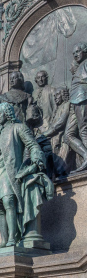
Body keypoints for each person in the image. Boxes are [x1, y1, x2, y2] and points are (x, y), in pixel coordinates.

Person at [0, 102, 48, 248]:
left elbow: (33, 145)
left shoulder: (19, 127)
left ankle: (12, 238)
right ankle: (4, 240)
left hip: (8, 171)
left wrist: (36, 161)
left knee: (8, 201)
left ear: (7, 113)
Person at [0, 71, 39, 141]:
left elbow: (30, 115)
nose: (11, 80)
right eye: (10, 78)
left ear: (20, 79)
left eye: (14, 78)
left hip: (21, 127)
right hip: (6, 129)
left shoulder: (27, 97)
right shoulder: (2, 97)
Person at [41, 88, 72, 177]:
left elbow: (61, 122)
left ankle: (58, 172)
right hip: (54, 137)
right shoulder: (57, 108)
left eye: (57, 94)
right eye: (54, 95)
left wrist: (45, 134)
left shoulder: (67, 104)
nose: (55, 97)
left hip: (61, 137)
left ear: (63, 95)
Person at [66, 43, 87, 172]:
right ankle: (85, 155)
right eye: (74, 52)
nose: (75, 54)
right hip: (75, 100)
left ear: (85, 51)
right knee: (68, 135)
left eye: (78, 51)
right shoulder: (79, 67)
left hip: (82, 97)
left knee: (83, 128)